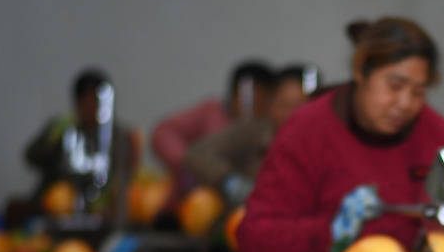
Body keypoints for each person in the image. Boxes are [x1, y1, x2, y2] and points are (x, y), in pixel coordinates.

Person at [237, 18, 444, 252]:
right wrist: (331, 234)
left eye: (418, 91)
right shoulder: (307, 132)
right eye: (395, 86)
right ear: (361, 72)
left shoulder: (438, 136)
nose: (405, 104)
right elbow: (253, 237)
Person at [184, 63, 322, 205]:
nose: (291, 114)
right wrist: (228, 180)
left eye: (300, 106)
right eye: (284, 105)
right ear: (270, 104)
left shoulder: (323, 139)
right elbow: (197, 154)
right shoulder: (252, 131)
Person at [21, 68, 139, 226]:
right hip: (57, 211)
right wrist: (52, 136)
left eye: (97, 101)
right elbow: (31, 157)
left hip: (99, 213)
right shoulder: (64, 130)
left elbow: (121, 179)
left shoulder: (118, 137)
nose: (92, 107)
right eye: (86, 100)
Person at [151, 60, 275, 200]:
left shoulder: (267, 129)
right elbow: (164, 133)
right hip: (197, 201)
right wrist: (186, 165)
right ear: (234, 94)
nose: (252, 106)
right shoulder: (212, 112)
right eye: (248, 98)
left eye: (261, 101)